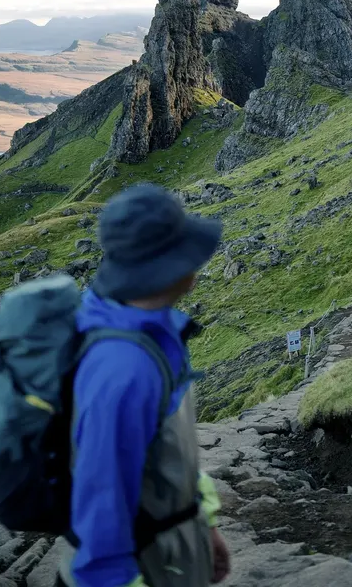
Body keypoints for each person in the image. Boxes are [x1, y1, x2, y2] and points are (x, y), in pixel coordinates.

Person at [58, 183, 230, 587]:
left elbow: (171, 457)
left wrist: (204, 526)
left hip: (171, 552)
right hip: (142, 568)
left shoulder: (154, 333)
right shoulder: (124, 368)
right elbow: (101, 507)